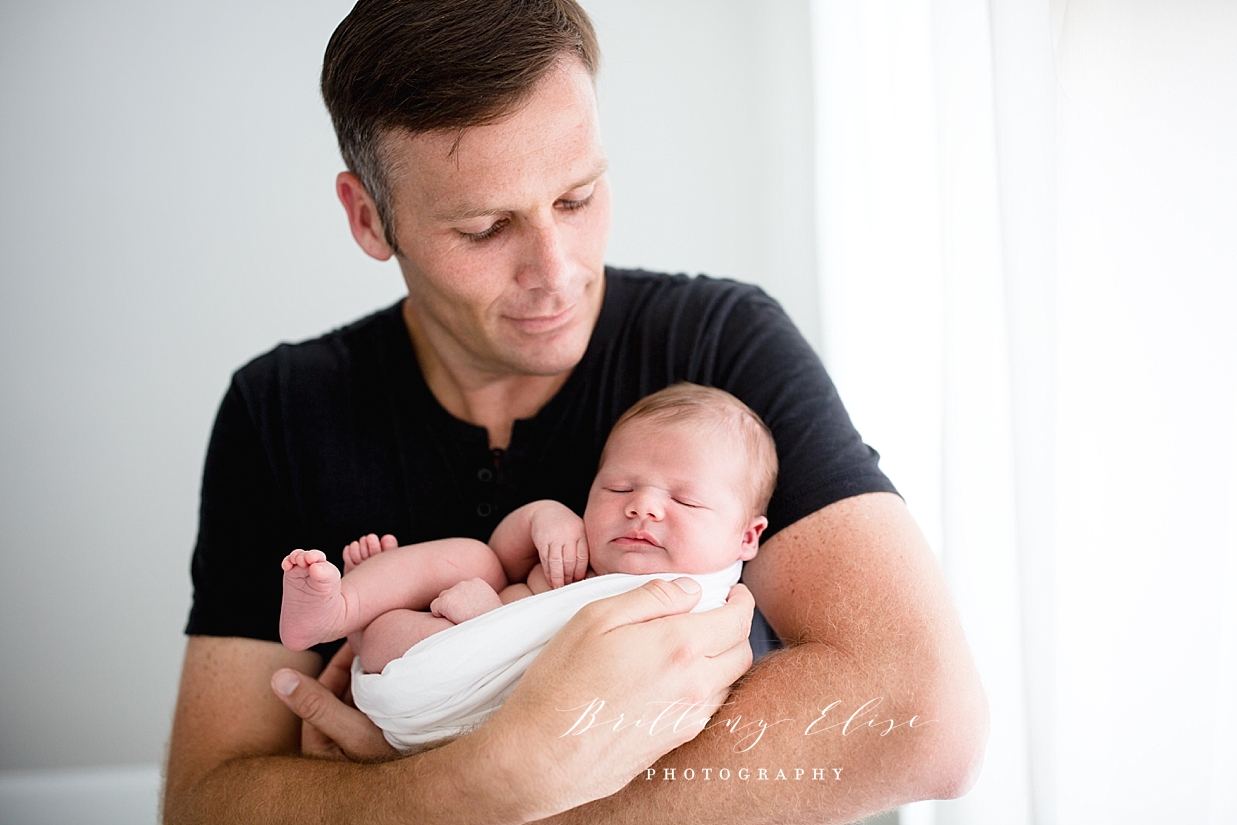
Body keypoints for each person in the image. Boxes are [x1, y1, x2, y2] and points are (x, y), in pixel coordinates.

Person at [163, 1, 989, 823]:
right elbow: (205, 802)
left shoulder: (718, 347)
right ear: (370, 218)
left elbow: (926, 717)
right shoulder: (279, 409)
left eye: (576, 197)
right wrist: (485, 780)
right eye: (486, 228)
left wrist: (475, 793)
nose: (556, 272)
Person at [279, 384, 775, 748]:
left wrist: (486, 622)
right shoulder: (585, 546)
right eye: (618, 488)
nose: (642, 506)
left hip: (457, 703)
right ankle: (343, 606)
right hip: (435, 647)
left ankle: (368, 628)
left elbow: (589, 689)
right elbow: (502, 557)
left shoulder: (698, 610)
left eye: (685, 501)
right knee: (473, 557)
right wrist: (543, 517)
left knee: (392, 635)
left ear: (747, 536)